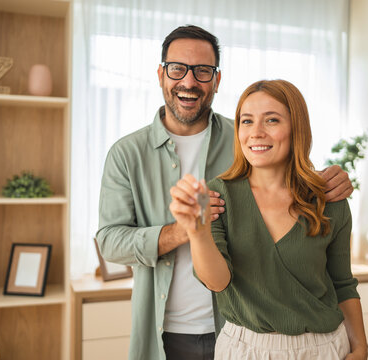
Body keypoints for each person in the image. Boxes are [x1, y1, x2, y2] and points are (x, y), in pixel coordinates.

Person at [97, 25, 354, 360]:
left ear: (217, 81)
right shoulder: (126, 153)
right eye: (177, 69)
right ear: (161, 74)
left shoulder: (248, 137)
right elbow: (109, 241)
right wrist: (183, 230)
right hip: (167, 332)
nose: (189, 82)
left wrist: (333, 180)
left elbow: (294, 179)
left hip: (237, 329)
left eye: (203, 71)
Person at [169, 79, 367, 360]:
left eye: (271, 120)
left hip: (324, 348)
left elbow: (343, 283)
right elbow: (217, 282)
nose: (256, 133)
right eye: (246, 121)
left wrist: (361, 348)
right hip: (244, 350)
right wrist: (197, 232)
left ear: (296, 127)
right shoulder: (215, 194)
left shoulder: (328, 197)